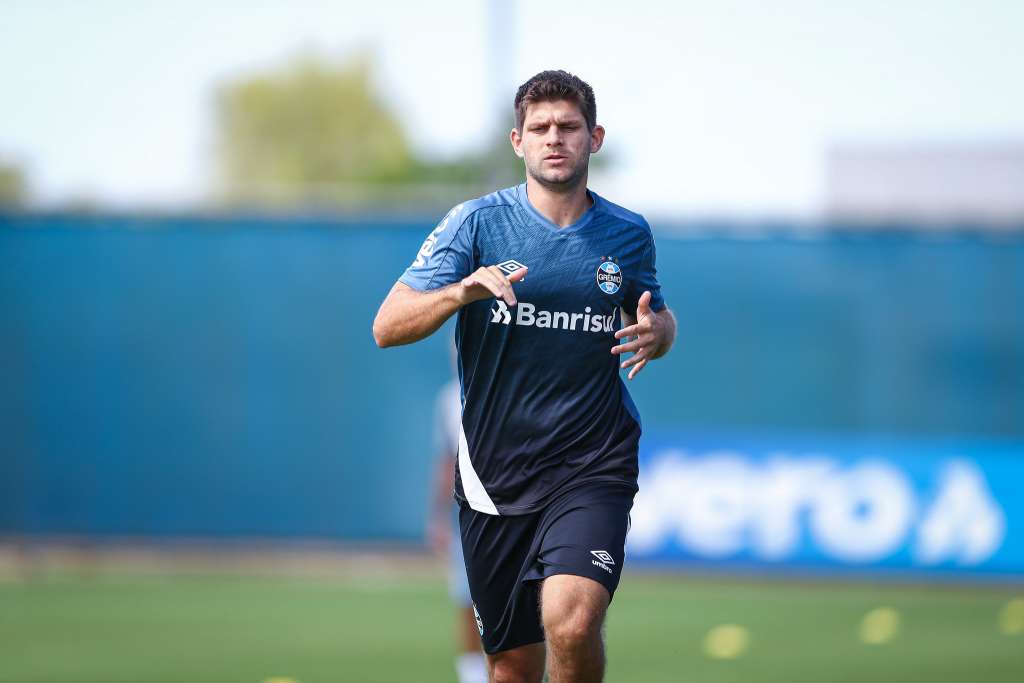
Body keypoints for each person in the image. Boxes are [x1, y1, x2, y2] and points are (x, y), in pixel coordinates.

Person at [374, 70, 676, 683]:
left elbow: (657, 314)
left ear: (594, 137)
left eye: (568, 127)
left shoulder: (627, 233)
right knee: (511, 669)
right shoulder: (476, 225)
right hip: (495, 477)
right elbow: (387, 324)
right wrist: (459, 292)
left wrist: (661, 334)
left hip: (592, 462)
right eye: (539, 128)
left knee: (571, 621)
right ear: (518, 141)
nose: (553, 138)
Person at [429, 376, 489, 683]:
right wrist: (437, 514)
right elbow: (445, 460)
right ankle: (473, 676)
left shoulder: (514, 380)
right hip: (469, 514)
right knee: (469, 600)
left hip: (519, 509)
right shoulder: (449, 398)